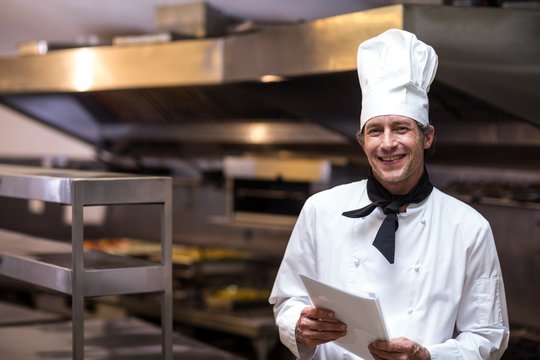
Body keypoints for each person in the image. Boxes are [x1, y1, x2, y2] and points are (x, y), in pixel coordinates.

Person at [269, 29, 509, 360]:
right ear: (361, 141)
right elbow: (287, 299)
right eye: (375, 131)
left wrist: (428, 357)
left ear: (427, 137)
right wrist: (299, 325)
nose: (387, 143)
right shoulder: (320, 210)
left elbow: (487, 335)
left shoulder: (469, 227)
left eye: (400, 128)